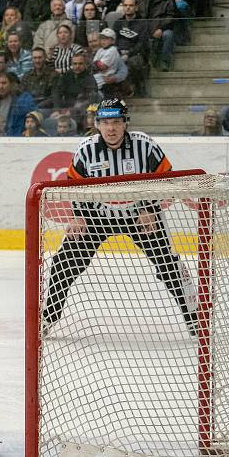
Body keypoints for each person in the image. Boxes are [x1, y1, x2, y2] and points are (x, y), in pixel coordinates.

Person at [42, 98, 198, 336]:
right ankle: (47, 319)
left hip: (140, 214)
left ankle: (196, 320)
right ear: (97, 124)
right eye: (105, 123)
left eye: (116, 122)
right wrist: (79, 217)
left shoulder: (145, 146)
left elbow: (165, 178)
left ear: (126, 123)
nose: (111, 128)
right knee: (64, 263)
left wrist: (149, 208)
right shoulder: (86, 149)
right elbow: (75, 184)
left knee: (169, 265)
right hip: (96, 215)